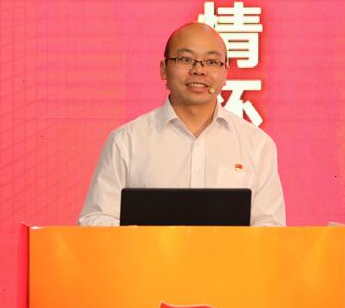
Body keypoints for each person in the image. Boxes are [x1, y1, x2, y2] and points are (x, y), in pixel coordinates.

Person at [78, 22, 286, 227]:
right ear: (163, 69)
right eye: (186, 59)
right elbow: (94, 220)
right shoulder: (126, 141)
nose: (199, 70)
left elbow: (270, 228)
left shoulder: (257, 144)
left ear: (226, 73)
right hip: (147, 251)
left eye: (211, 62)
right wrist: (143, 236)